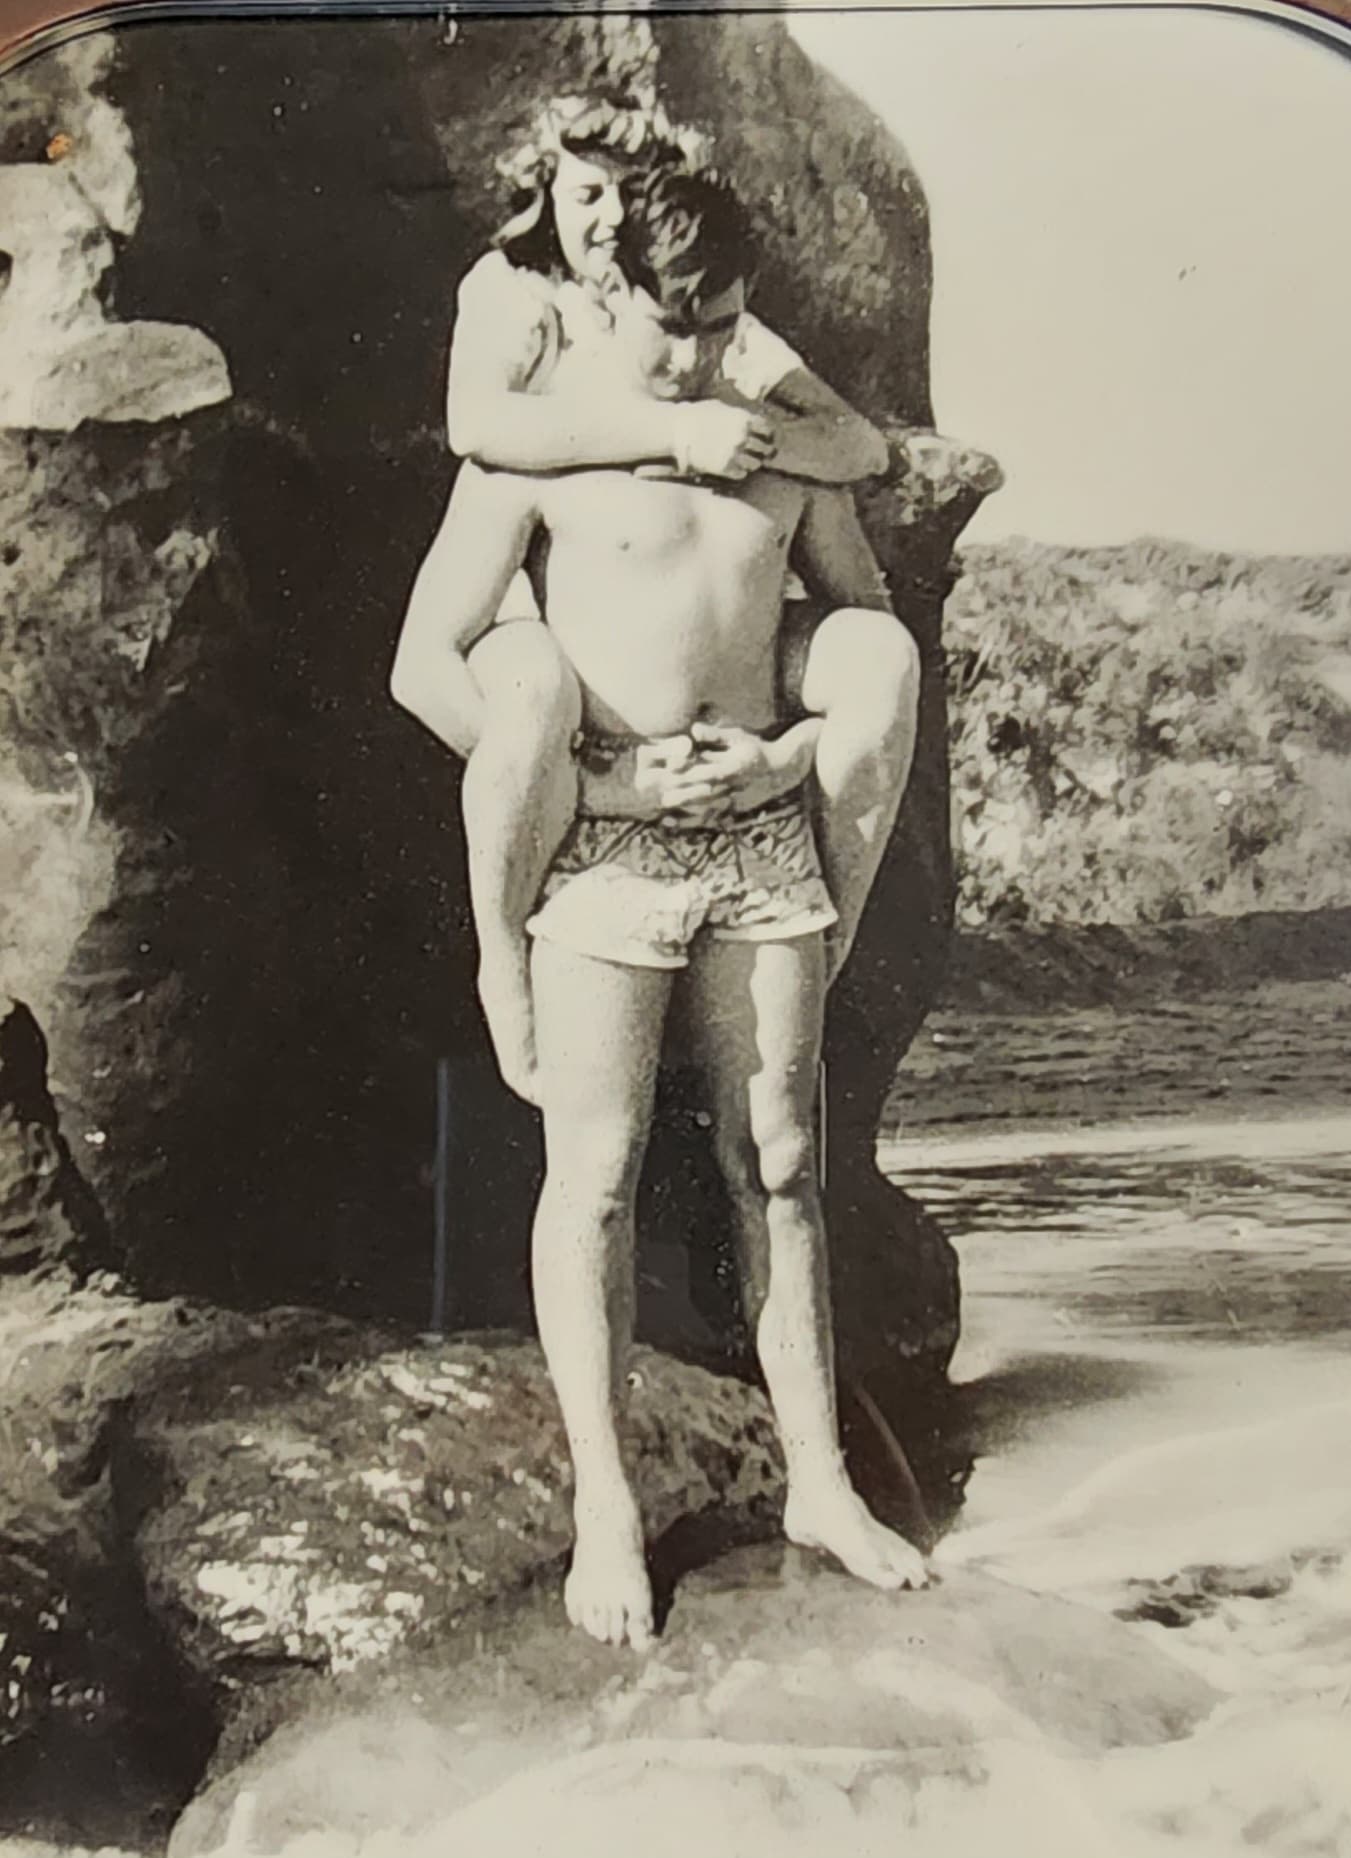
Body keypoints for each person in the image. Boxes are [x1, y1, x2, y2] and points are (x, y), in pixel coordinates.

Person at [391, 166, 928, 1651]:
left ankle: (817, 1478)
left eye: (724, 326)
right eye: (670, 328)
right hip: (604, 852)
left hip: (757, 839)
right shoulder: (538, 453)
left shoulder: (781, 453)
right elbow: (422, 659)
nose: (699, 360)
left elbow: (857, 624)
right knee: (602, 1173)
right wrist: (596, 787)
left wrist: (786, 754)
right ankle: (605, 1508)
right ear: (605, 293)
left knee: (781, 1160)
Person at [406, 92, 918, 1103]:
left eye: (627, 196)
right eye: (585, 192)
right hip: (544, 606)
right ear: (543, 191)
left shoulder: (698, 303)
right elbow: (479, 429)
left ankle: (830, 934)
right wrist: (673, 438)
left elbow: (854, 445)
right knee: (534, 694)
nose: (604, 218)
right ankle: (502, 959)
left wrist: (760, 454)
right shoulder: (508, 289)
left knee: (879, 655)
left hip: (709, 633)